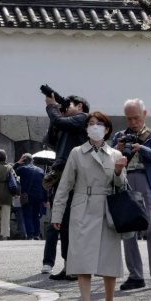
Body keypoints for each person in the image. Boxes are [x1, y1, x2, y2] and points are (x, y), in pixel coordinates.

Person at [51, 111, 127, 301]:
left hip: (106, 209)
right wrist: (57, 213)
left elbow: (122, 186)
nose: (94, 127)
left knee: (108, 260)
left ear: (107, 129)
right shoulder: (76, 152)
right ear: (86, 129)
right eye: (91, 123)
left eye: (99, 124)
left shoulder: (114, 154)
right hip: (82, 207)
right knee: (82, 258)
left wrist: (120, 171)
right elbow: (65, 185)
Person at [111, 98, 151, 290]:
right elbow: (108, 159)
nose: (133, 123)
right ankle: (135, 275)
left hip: (149, 182)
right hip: (127, 183)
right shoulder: (120, 136)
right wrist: (117, 150)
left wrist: (142, 148)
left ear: (144, 114)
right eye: (129, 119)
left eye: (136, 118)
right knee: (128, 229)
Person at [42, 91, 89, 279]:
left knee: (72, 221)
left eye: (69, 104)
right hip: (62, 175)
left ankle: (76, 266)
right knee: (61, 220)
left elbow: (61, 123)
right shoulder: (67, 124)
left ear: (80, 106)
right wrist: (56, 115)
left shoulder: (83, 118)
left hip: (76, 176)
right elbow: (50, 140)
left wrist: (51, 107)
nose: (65, 107)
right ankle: (69, 265)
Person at [15, 153, 46, 240]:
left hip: (27, 196)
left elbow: (11, 171)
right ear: (32, 160)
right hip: (39, 196)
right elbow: (44, 186)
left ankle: (30, 234)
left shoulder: (22, 169)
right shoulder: (40, 170)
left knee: (27, 215)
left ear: (23, 161)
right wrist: (45, 199)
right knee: (36, 215)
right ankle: (37, 234)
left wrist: (18, 162)